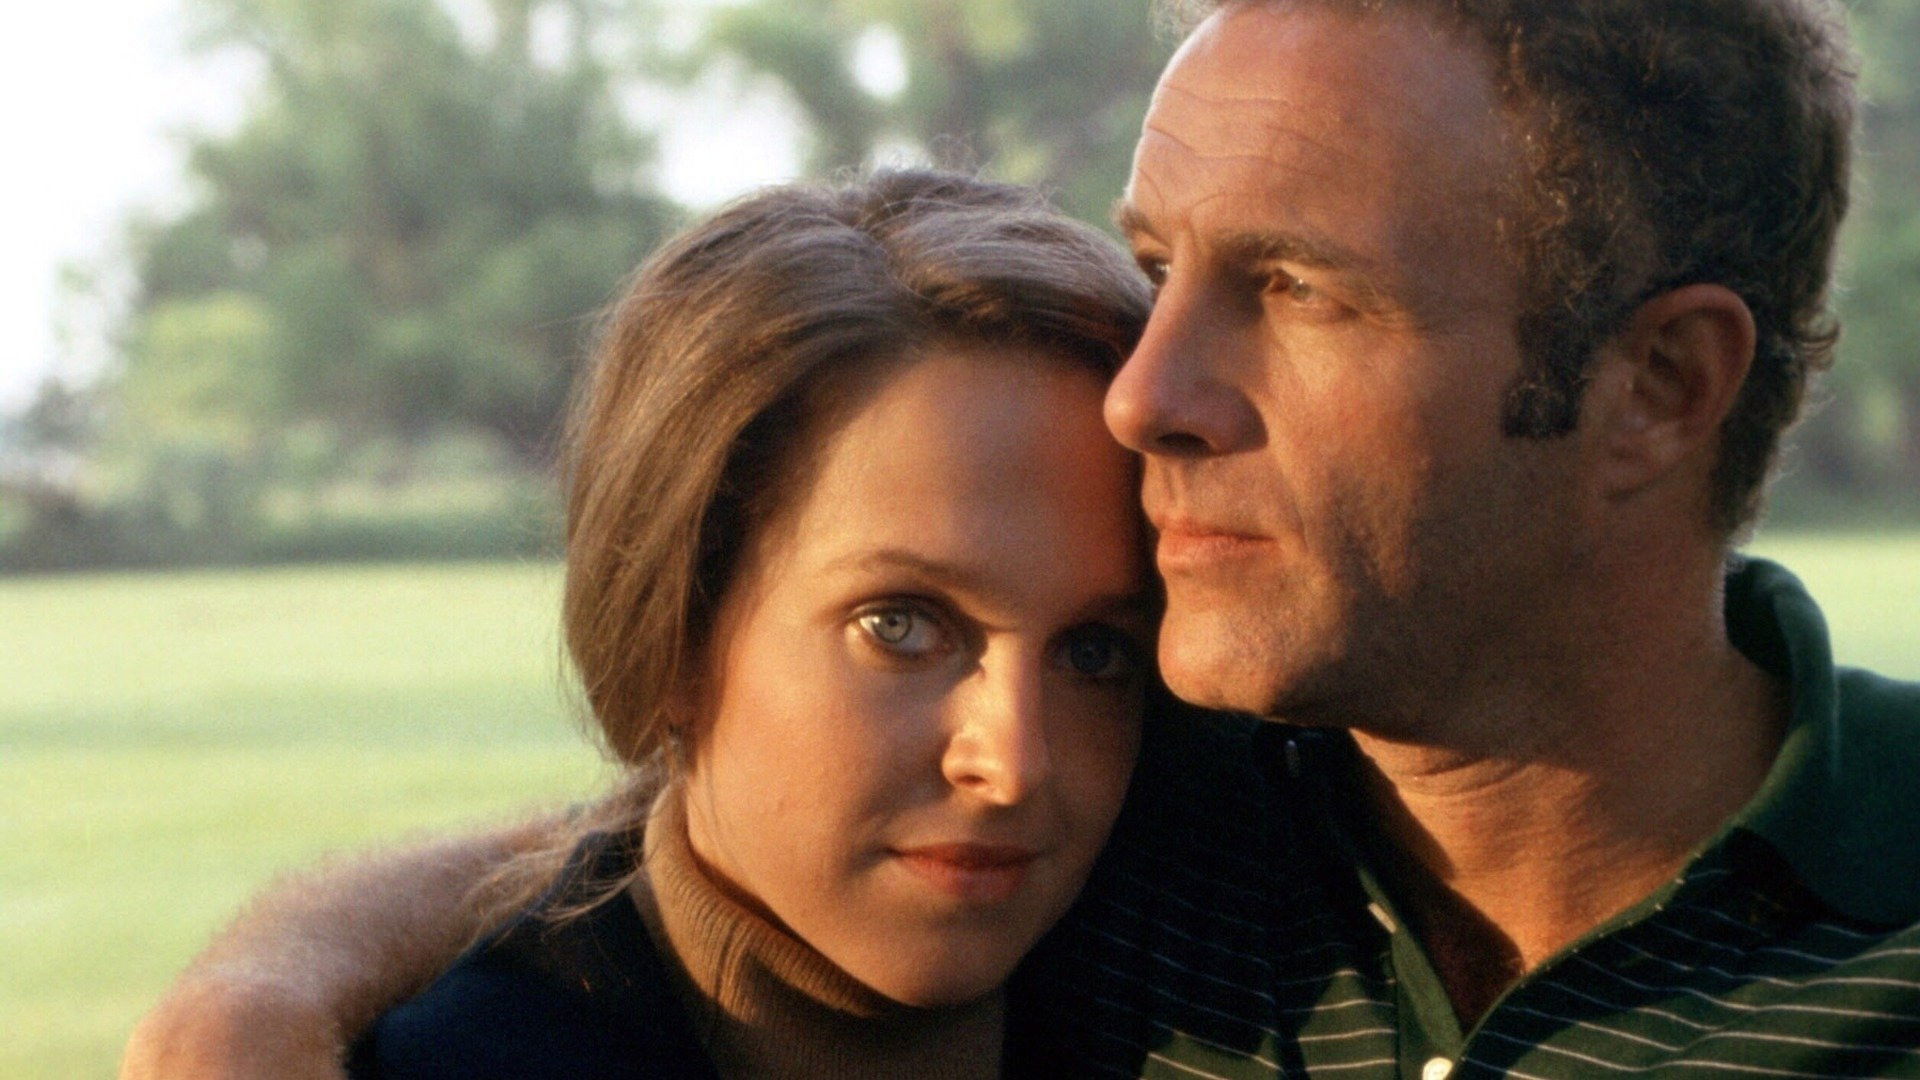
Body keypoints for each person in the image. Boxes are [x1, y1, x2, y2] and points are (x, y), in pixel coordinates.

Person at [126, 1, 1920, 1077]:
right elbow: (713, 830)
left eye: (1295, 291)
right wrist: (263, 993)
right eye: (1158, 272)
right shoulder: (1143, 823)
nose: (1144, 393)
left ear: (1660, 386)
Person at [189, 168, 1167, 1079]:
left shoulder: (1206, 956)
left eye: (1094, 654)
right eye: (899, 627)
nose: (1014, 763)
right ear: (674, 633)